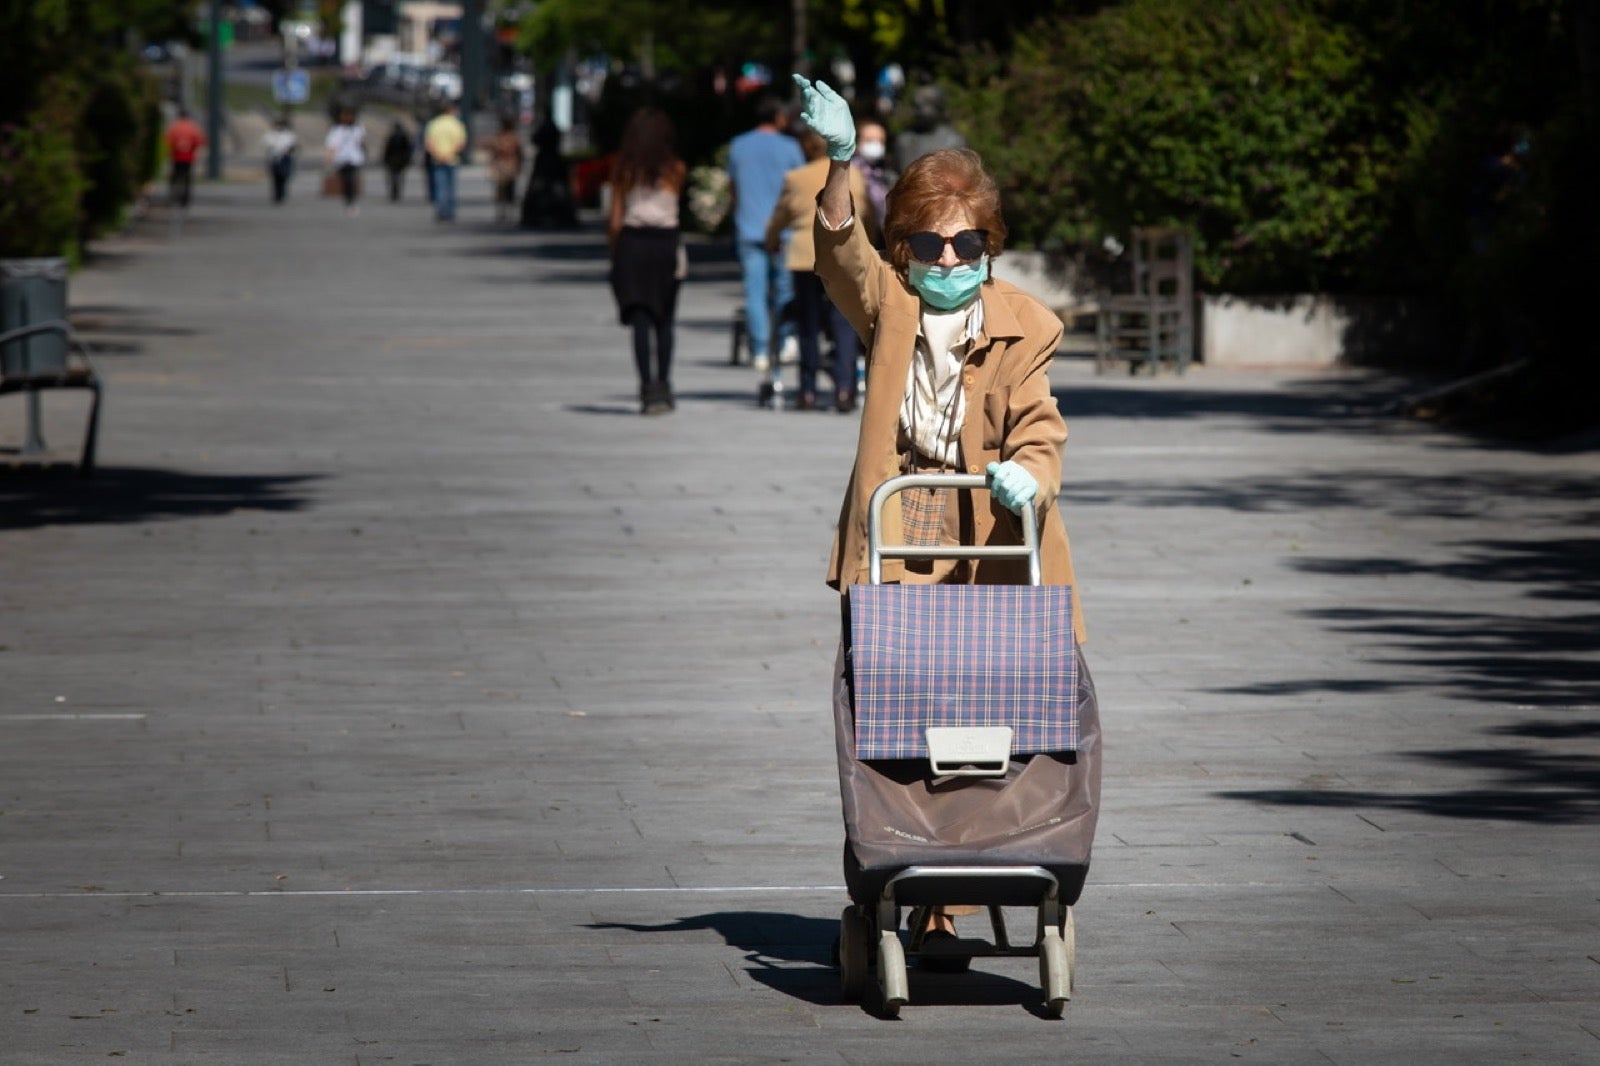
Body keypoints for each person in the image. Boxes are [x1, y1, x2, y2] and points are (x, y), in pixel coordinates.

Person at [796, 75, 1089, 953]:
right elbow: (838, 249)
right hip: (898, 527)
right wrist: (844, 160)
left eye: (967, 246)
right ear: (908, 246)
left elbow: (1041, 426)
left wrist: (1030, 478)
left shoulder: (1023, 325)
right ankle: (903, 863)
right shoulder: (892, 305)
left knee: (986, 715)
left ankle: (967, 875)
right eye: (930, 243)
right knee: (898, 714)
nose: (950, 262)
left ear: (991, 248)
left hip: (990, 540)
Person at [764, 126, 872, 412]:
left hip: (804, 256)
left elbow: (780, 217)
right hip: (842, 257)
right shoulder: (855, 177)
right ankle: (845, 389)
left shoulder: (796, 178)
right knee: (844, 323)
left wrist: (771, 241)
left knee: (807, 323)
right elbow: (866, 215)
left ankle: (807, 390)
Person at [607, 108, 686, 416]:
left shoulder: (624, 169)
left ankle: (647, 389)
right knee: (666, 320)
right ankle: (665, 386)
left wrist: (614, 251)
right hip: (666, 243)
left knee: (640, 318)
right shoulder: (675, 169)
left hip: (633, 242)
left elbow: (614, 219)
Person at [727, 95, 804, 406]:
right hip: (784, 230)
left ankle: (759, 349)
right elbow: (797, 188)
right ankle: (783, 342)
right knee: (784, 291)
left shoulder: (738, 145)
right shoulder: (789, 148)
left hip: (748, 225)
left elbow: (732, 187)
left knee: (755, 291)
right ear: (779, 117)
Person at [521, 110, 577, 229]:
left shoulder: (546, 127)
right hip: (552, 160)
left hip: (546, 160)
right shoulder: (553, 127)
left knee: (544, 188)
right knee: (555, 188)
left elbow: (535, 139)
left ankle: (538, 215)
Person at [893, 83, 966, 172]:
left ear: (939, 108)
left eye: (923, 105)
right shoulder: (904, 141)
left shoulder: (954, 142)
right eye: (915, 106)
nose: (917, 111)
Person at [424, 100, 468, 222]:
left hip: (437, 159)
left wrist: (438, 155)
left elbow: (429, 143)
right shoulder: (456, 124)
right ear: (452, 110)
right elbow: (461, 143)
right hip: (452, 159)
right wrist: (449, 154)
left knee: (440, 186)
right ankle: (450, 211)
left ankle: (441, 210)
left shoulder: (434, 124)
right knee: (450, 187)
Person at [851, 119, 893, 244]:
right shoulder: (850, 170)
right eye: (869, 140)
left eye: (880, 141)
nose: (875, 145)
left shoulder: (884, 172)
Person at [324, 108, 366, 215]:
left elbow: (361, 143)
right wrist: (329, 158)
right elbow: (332, 145)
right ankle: (348, 201)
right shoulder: (336, 130)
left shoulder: (358, 129)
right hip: (341, 159)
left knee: (350, 180)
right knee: (345, 181)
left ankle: (351, 202)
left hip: (353, 159)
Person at [164, 108, 206, 209]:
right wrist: (191, 148)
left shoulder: (174, 127)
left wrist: (176, 147)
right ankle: (185, 199)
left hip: (176, 156)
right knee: (187, 177)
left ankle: (173, 196)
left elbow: (167, 141)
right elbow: (199, 141)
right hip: (189, 157)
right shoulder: (193, 127)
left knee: (175, 175)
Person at [487, 115, 525, 223]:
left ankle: (504, 209)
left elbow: (519, 152)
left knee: (504, 189)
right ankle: (504, 209)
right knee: (505, 188)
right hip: (507, 165)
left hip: (504, 165)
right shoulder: (511, 137)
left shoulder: (507, 137)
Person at [262, 115, 297, 205]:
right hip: (274, 158)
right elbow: (267, 145)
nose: (279, 126)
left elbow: (292, 146)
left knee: (283, 176)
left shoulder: (288, 135)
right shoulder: (271, 135)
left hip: (285, 158)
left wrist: (287, 151)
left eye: (280, 124)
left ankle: (282, 193)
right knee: (275, 178)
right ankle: (277, 195)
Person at [382, 120, 414, 202]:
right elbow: (408, 149)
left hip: (392, 159)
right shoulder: (405, 136)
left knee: (393, 176)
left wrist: (385, 159)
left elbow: (387, 149)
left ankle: (394, 192)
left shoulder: (391, 136)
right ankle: (397, 191)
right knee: (400, 176)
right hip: (401, 159)